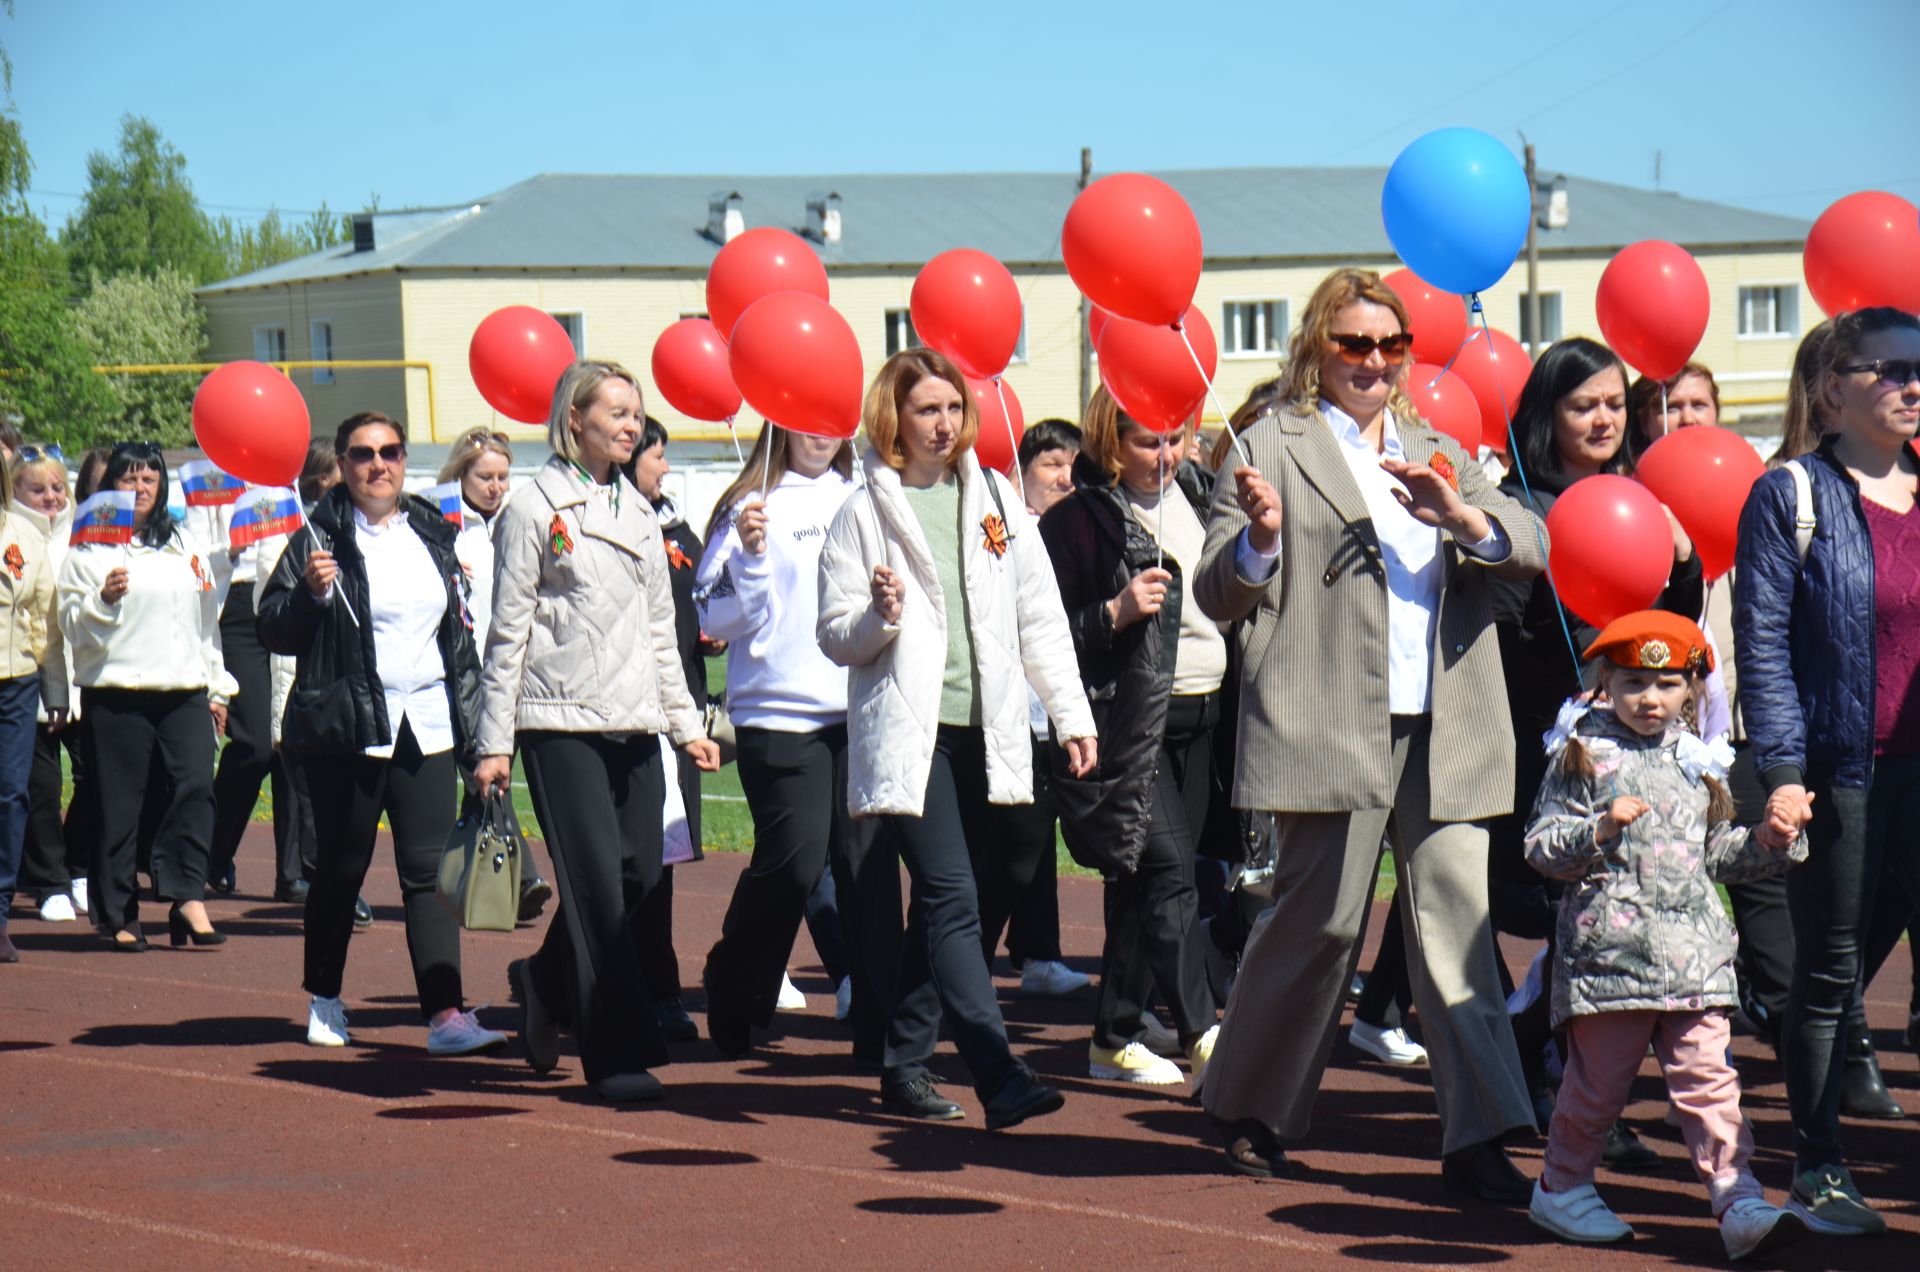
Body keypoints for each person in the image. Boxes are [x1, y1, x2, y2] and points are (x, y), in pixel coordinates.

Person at [1192, 267, 1543, 1197]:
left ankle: (1481, 1136)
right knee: (1320, 922)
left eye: (1391, 346)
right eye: (1354, 344)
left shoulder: (1438, 447)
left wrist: (1463, 517)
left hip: (1449, 722)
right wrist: (1259, 539)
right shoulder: (1271, 442)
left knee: (1458, 927)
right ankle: (1245, 1108)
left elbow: (1528, 548)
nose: (1374, 362)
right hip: (1326, 722)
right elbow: (1216, 590)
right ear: (1319, 348)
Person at [817, 348, 1095, 1129]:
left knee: (966, 896)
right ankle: (996, 1070)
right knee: (951, 896)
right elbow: (836, 635)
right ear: (893, 420)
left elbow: (1036, 615)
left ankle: (903, 1063)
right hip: (914, 734)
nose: (943, 425)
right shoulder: (860, 510)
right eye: (925, 411)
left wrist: (1071, 716)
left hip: (992, 729)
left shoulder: (996, 497)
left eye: (951, 408)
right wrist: (880, 615)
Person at [1523, 612, 1806, 1259]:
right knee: (1597, 1088)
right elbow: (1540, 846)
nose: (1650, 698)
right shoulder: (1579, 752)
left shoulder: (1699, 759)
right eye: (1633, 683)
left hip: (1694, 961)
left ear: (1692, 688)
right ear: (1605, 681)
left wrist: (1768, 841)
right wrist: (1597, 829)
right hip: (1611, 960)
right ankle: (1561, 1186)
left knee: (1711, 1084)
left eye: (1668, 684)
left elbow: (1716, 855)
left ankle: (1738, 1198)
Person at [474, 362, 720, 1103]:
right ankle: (613, 1053)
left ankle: (542, 980)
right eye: (615, 411)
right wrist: (492, 743)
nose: (631, 425)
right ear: (573, 417)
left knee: (641, 878)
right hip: (559, 722)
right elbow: (507, 631)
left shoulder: (644, 514)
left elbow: (660, 635)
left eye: (637, 414)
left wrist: (686, 727)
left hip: (636, 722)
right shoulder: (532, 508)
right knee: (594, 888)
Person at [1486, 338, 1702, 1167]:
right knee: (1568, 919)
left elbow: (1669, 637)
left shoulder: (1642, 496)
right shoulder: (1520, 502)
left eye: (1615, 402)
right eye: (1585, 405)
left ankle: (1573, 1087)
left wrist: (1682, 564)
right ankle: (1558, 1089)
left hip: (1640, 750)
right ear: (1548, 414)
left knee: (1614, 923)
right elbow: (1502, 630)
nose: (1605, 418)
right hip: (1554, 744)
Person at [1734, 306, 1920, 1237]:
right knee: (1829, 971)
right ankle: (1818, 1161)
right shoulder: (1789, 496)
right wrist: (1781, 770)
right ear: (1831, 388)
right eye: (1889, 370)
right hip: (1841, 771)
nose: (1911, 385)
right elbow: (1761, 644)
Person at [257, 412, 505, 1056]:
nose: (378, 465)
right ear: (341, 464)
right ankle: (326, 998)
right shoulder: (319, 532)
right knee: (342, 870)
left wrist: (479, 740)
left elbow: (459, 642)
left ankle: (446, 1015)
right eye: (363, 454)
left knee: (429, 877)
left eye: (390, 451)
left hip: (426, 727)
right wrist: (310, 596)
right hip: (349, 732)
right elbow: (273, 628)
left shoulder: (430, 527)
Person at [1039, 388, 1221, 1088]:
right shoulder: (1077, 521)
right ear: (1110, 441)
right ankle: (1205, 1037)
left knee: (1145, 887)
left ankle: (1112, 1036)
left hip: (1203, 715)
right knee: (1170, 875)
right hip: (1126, 721)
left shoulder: (1201, 496)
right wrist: (1111, 613)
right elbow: (1046, 635)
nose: (1165, 455)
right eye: (1148, 441)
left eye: (1175, 438)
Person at [696, 420, 878, 1057]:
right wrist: (748, 558)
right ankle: (734, 978)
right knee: (796, 861)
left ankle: (877, 1014)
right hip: (777, 714)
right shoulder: (750, 506)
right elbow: (715, 618)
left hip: (859, 711)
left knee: (865, 865)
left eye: (831, 419)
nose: (819, 434)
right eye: (804, 420)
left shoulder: (865, 495)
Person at [58, 442, 233, 951]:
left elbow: (206, 626)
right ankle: (117, 911)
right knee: (119, 805)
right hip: (117, 691)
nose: (138, 490)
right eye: (128, 479)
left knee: (194, 789)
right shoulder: (89, 549)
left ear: (162, 488)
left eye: (149, 480)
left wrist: (217, 686)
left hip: (184, 689)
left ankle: (185, 896)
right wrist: (103, 600)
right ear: (110, 485)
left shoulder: (184, 543)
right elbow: (72, 624)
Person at [625, 415, 744, 1040]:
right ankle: (572, 978)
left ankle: (660, 992)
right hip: (621, 713)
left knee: (658, 860)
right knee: (624, 863)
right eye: (658, 455)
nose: (666, 466)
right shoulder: (609, 523)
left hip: (679, 714)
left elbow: (704, 603)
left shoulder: (678, 529)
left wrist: (713, 631)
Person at [991, 418, 1090, 997]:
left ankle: (1037, 953)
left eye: (1074, 467)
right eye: (1052, 465)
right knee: (1012, 838)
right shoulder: (1001, 530)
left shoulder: (1076, 529)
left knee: (1038, 833)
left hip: (1054, 710)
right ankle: (964, 949)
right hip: (1005, 711)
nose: (1064, 478)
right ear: (1021, 472)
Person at [437, 426, 553, 922]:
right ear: (461, 473)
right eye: (485, 476)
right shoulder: (442, 525)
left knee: (483, 783)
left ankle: (461, 874)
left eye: (503, 476)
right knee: (485, 774)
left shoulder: (518, 520)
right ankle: (521, 876)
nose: (495, 487)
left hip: (514, 667)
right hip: (463, 670)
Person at [11, 449, 84, 925]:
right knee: (41, 784)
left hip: (85, 675)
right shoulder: (14, 536)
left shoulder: (83, 535)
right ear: (15, 492)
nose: (52, 497)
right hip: (29, 673)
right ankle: (49, 881)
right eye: (39, 489)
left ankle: (79, 865)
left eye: (58, 487)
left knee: (98, 778)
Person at [0, 453, 67, 963]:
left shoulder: (22, 534)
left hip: (16, 681)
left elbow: (45, 618)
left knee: (10, 795)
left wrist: (56, 691)